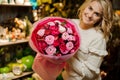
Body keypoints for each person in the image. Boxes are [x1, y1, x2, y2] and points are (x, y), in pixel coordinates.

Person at [62, 0, 113, 80]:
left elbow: (90, 75)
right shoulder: (71, 23)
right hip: (66, 76)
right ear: (85, 6)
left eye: (96, 14)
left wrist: (66, 54)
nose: (90, 15)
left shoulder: (98, 38)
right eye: (90, 8)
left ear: (100, 19)